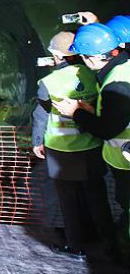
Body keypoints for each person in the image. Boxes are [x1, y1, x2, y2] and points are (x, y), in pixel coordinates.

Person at [31, 31, 113, 260]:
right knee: (97, 197)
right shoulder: (95, 74)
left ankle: (76, 245)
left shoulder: (49, 82)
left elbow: (40, 113)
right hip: (92, 144)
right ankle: (109, 243)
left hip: (62, 149)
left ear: (57, 54)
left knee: (68, 200)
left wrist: (37, 141)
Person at [54, 23, 130, 259]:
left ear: (92, 58)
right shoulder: (124, 67)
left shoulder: (115, 83)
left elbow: (106, 129)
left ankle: (122, 254)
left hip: (125, 161)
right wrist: (91, 108)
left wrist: (75, 112)